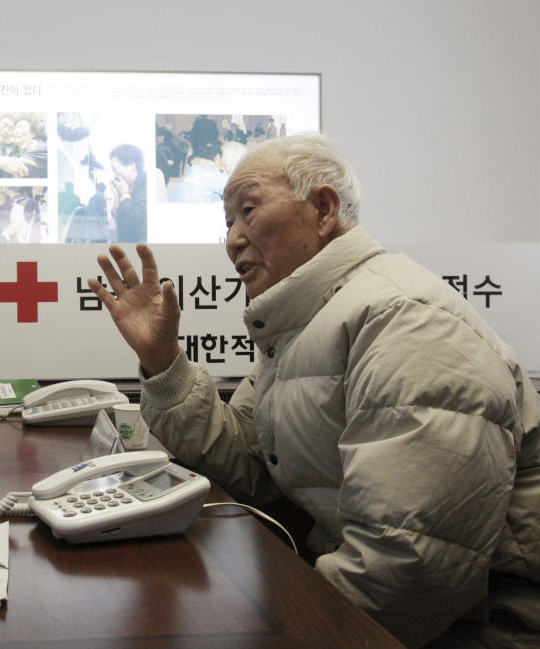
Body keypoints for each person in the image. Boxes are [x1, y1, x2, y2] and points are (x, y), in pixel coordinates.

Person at [89, 133, 540, 648]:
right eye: (227, 221)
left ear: (323, 209)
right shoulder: (309, 321)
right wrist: (162, 361)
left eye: (249, 211)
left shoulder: (405, 321)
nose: (233, 239)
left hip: (479, 627)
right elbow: (248, 464)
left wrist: (282, 633)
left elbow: (410, 565)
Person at [109, 143, 147, 243]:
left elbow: (137, 225)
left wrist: (125, 194)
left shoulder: (145, 185)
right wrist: (117, 198)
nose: (114, 174)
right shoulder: (130, 187)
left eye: (115, 169)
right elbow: (122, 225)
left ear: (131, 164)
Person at [170, 139, 228, 203]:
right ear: (218, 156)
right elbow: (235, 186)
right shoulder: (209, 173)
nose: (224, 163)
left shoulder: (195, 169)